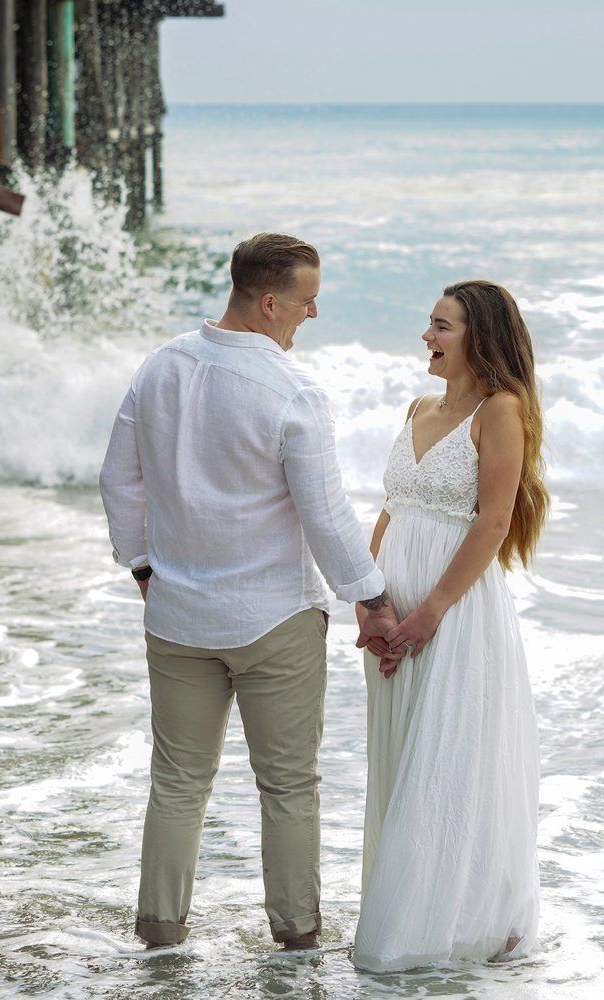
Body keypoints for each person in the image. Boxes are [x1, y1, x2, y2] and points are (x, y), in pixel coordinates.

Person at [98, 233, 399, 953]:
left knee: (176, 783)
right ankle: (296, 941)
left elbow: (118, 480)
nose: (314, 313)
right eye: (306, 300)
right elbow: (326, 517)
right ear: (270, 303)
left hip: (175, 615)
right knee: (288, 788)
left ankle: (161, 935)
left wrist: (142, 567)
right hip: (274, 620)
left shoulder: (160, 367)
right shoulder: (293, 392)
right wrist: (373, 599)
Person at [352, 280, 549, 972]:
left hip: (454, 612)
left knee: (448, 763)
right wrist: (367, 602)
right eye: (429, 325)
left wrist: (429, 612)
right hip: (393, 615)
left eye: (442, 326)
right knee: (403, 763)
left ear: (479, 336)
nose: (428, 337)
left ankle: (445, 931)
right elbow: (390, 509)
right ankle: (405, 911)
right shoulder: (418, 407)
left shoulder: (501, 410)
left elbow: (493, 523)